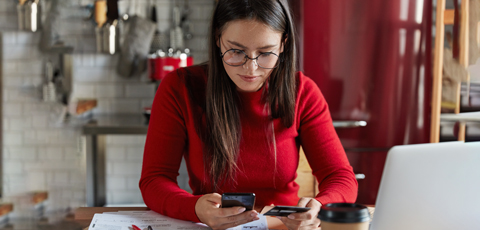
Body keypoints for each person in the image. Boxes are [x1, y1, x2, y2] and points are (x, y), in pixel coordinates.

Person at [139, 0, 358, 229]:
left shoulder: (303, 92)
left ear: (283, 44)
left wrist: (320, 207)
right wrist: (194, 208)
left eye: (265, 53)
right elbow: (154, 180)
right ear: (217, 39)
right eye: (236, 51)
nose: (250, 69)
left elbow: (340, 177)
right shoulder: (179, 87)